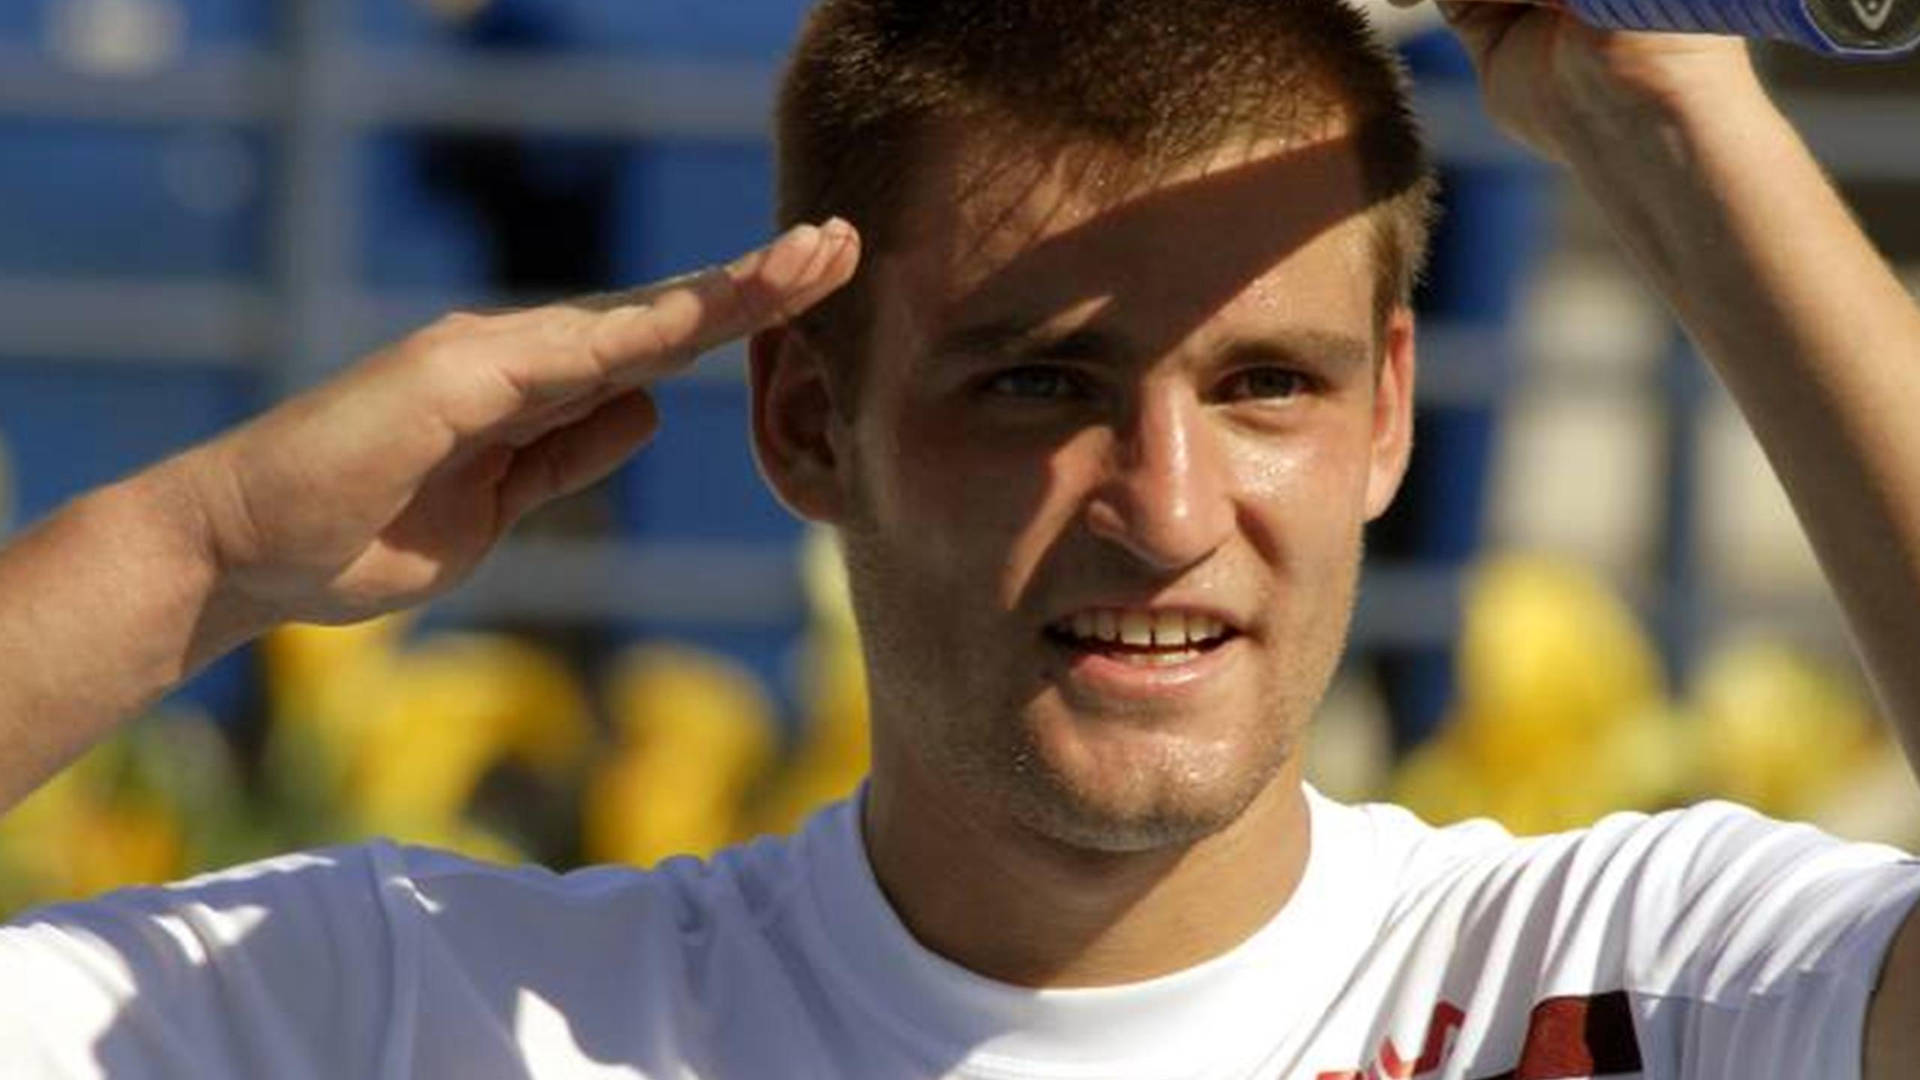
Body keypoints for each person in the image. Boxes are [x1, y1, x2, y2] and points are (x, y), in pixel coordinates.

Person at [3, 0, 1919, 1075]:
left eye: (1267, 385)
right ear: (804, 421)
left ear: (1393, 411)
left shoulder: (1636, 985)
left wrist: (1672, 115)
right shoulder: (410, 1011)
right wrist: (200, 550)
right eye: (1037, 388)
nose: (1169, 514)